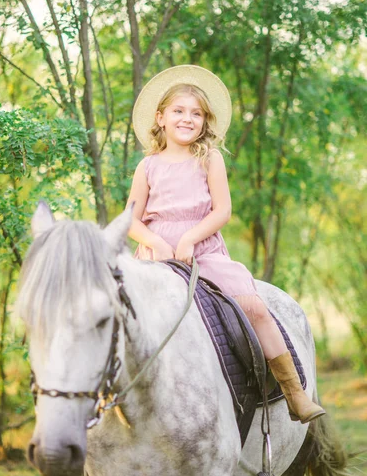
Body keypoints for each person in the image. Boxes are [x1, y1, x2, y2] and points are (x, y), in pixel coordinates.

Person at [126, 64, 325, 424]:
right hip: (156, 257)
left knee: (256, 308)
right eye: (179, 111)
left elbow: (223, 210)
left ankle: (295, 393)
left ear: (205, 121)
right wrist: (155, 239)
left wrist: (189, 237)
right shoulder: (148, 167)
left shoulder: (209, 158)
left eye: (196, 113)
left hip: (204, 252)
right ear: (161, 117)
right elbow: (131, 221)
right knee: (126, 317)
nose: (188, 119)